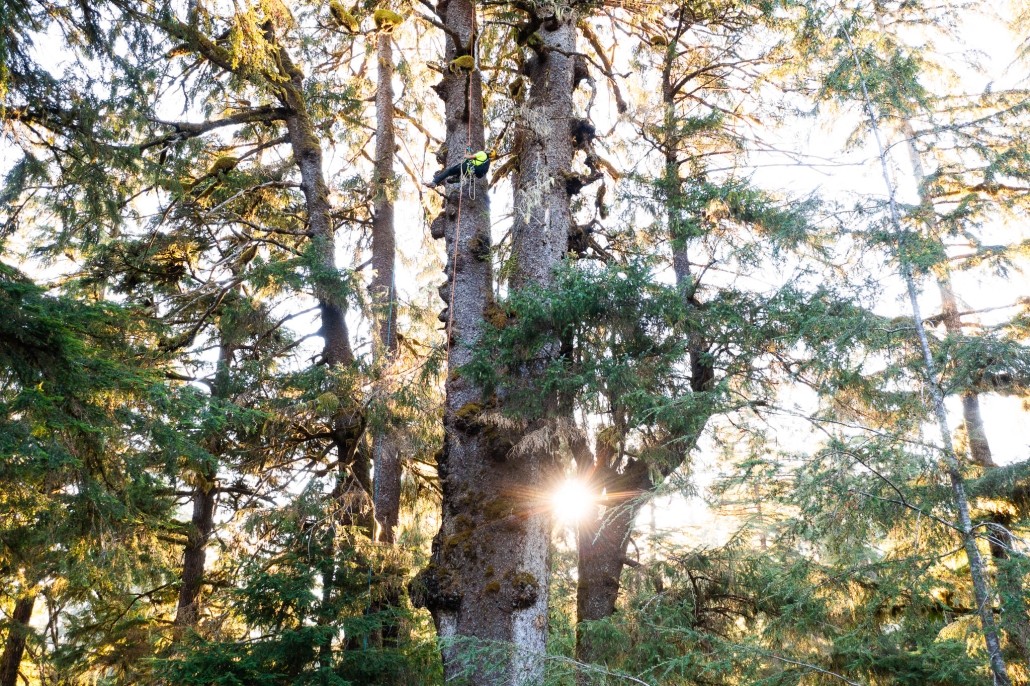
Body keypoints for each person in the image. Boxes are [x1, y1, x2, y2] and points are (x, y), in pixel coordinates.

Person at [430, 149, 496, 186]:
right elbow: (475, 162)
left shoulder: (482, 153)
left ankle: (435, 182)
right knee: (460, 170)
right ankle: (457, 178)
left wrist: (465, 154)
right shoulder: (487, 161)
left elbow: (470, 157)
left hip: (466, 167)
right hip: (470, 172)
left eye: (488, 150)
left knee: (449, 171)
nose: (486, 149)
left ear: (488, 152)